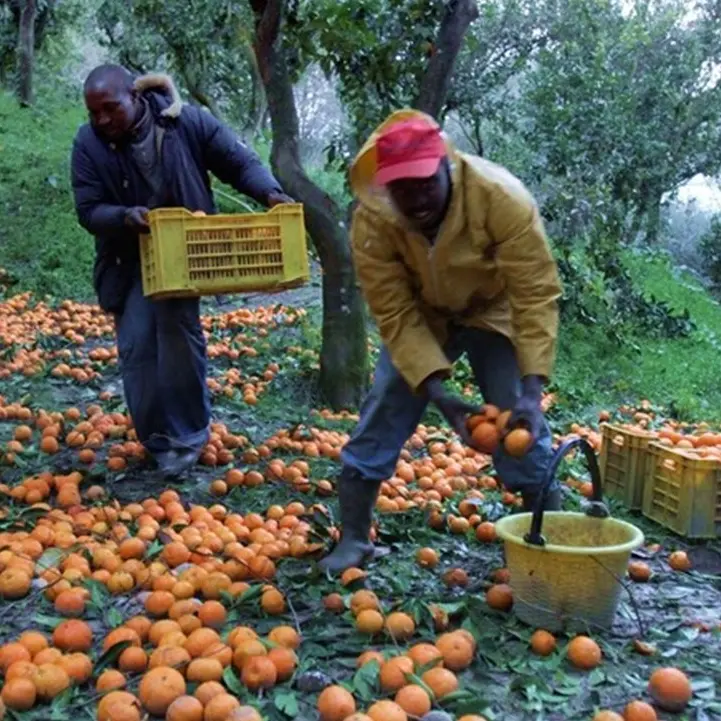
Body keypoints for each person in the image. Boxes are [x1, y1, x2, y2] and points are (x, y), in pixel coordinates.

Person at [319, 110, 564, 574]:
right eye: (401, 188)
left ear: (445, 167)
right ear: (384, 186)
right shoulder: (374, 221)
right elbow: (393, 309)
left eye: (424, 183)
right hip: (423, 313)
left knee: (516, 416)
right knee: (388, 400)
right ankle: (353, 538)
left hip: (493, 309)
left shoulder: (500, 198)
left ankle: (545, 539)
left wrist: (533, 391)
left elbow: (534, 294)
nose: (415, 199)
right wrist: (438, 394)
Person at [71, 64, 293, 478]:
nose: (102, 120)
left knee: (176, 338)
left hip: (182, 253)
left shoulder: (183, 121)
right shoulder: (88, 143)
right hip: (128, 258)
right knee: (137, 347)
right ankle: (156, 439)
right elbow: (87, 209)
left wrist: (270, 192)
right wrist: (124, 216)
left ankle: (187, 437)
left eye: (110, 109)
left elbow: (236, 161)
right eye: (94, 113)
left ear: (134, 97)